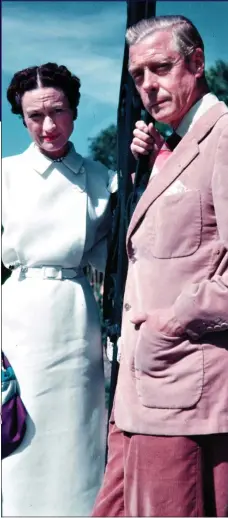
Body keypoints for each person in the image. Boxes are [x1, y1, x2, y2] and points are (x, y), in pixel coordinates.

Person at [92, 15, 228, 517]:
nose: (148, 85)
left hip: (188, 382)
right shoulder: (174, 148)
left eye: (161, 67)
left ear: (196, 63)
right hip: (142, 386)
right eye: (138, 76)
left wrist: (176, 320)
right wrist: (155, 167)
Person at [2, 62, 118, 517]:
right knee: (18, 433)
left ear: (73, 109)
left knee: (74, 434)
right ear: (22, 118)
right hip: (16, 314)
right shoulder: (4, 175)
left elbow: (115, 252)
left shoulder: (99, 177)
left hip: (74, 317)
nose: (48, 126)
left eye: (58, 111)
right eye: (35, 116)